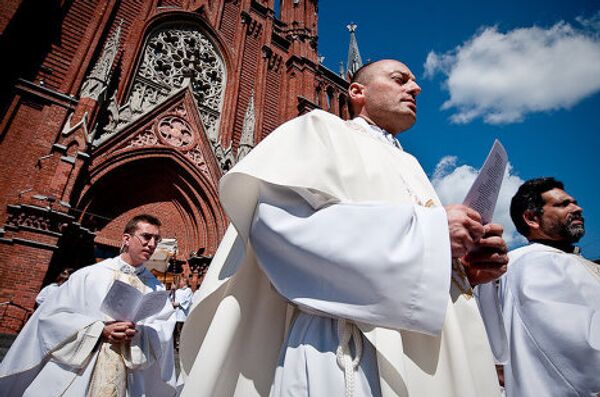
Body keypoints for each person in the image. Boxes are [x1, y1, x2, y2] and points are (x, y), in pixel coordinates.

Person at [178, 59, 508, 397]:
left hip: (422, 353)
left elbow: (415, 255)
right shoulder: (318, 129)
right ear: (356, 91)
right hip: (344, 347)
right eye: (400, 79)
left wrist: (459, 268)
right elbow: (281, 227)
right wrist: (432, 233)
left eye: (414, 82)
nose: (416, 88)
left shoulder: (410, 164)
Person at [0, 214, 177, 396]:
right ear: (126, 238)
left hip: (127, 374)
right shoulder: (89, 275)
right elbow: (53, 316)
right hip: (80, 369)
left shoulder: (156, 287)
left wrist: (137, 333)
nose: (152, 244)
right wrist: (99, 330)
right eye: (147, 237)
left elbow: (163, 328)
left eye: (157, 239)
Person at [499, 177, 600, 396]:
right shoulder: (530, 262)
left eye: (574, 202)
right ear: (532, 218)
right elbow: (571, 344)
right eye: (564, 204)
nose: (578, 208)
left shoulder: (572, 260)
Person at [171, 276, 193, 350]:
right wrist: (173, 291)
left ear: (185, 282)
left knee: (181, 330)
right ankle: (176, 344)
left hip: (183, 314)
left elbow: (188, 301)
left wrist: (178, 304)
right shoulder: (177, 291)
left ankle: (181, 344)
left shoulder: (188, 290)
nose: (179, 282)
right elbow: (172, 299)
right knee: (176, 330)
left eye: (180, 281)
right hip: (176, 314)